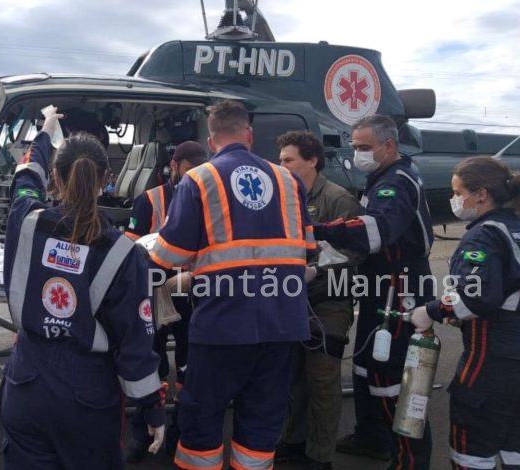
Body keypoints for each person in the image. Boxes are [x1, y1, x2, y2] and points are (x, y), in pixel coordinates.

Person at [150, 100, 316, 470]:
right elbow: (307, 249)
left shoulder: (199, 179)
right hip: (281, 323)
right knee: (262, 419)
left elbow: (167, 255)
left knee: (202, 417)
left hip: (223, 323)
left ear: (211, 142)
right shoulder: (289, 181)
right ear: (250, 135)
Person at [0, 107, 166, 469]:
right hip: (86, 392)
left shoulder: (25, 220)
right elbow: (135, 343)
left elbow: (26, 176)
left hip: (26, 380)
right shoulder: (125, 254)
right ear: (107, 178)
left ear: (55, 179)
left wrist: (45, 131)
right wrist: (153, 410)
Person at [314, 114, 434, 469]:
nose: (357, 153)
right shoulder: (381, 176)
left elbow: (374, 232)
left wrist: (318, 229)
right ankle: (373, 437)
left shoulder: (395, 182)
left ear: (389, 145)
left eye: (364, 147)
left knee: (390, 373)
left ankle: (409, 458)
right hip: (380, 285)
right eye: (354, 146)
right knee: (366, 363)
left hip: (399, 288)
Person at [408, 156, 520, 470]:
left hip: (491, 361)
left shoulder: (484, 235)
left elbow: (475, 298)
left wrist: (431, 311)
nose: (454, 199)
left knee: (472, 449)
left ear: (481, 194)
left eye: (458, 191)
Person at [276, 130, 363, 470]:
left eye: (287, 160)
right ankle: (295, 442)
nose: (280, 166)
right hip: (296, 301)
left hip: (330, 300)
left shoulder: (338, 199)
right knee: (294, 377)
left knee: (323, 379)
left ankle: (320, 455)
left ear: (311, 160)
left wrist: (315, 268)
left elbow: (355, 252)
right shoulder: (287, 198)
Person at [124, 140, 209, 461]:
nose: (192, 178)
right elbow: (131, 252)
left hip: (192, 293)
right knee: (152, 364)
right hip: (154, 294)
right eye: (187, 171)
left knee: (191, 368)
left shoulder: (206, 197)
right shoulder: (150, 200)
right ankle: (143, 432)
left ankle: (180, 433)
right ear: (173, 166)